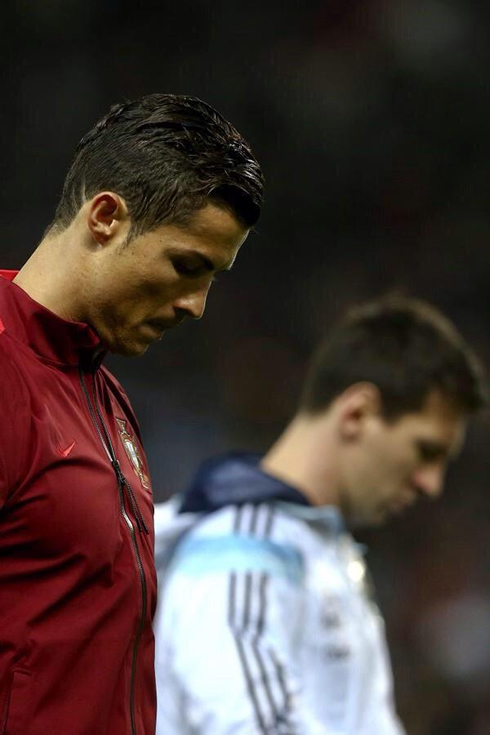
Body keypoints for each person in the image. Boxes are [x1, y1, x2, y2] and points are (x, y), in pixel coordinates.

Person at [0, 93, 263, 735]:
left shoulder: (107, 398)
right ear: (107, 217)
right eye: (185, 266)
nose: (195, 305)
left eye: (211, 279)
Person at [153, 295, 487, 735]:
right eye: (425, 451)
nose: (431, 483)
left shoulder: (321, 551)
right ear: (357, 414)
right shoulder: (241, 550)